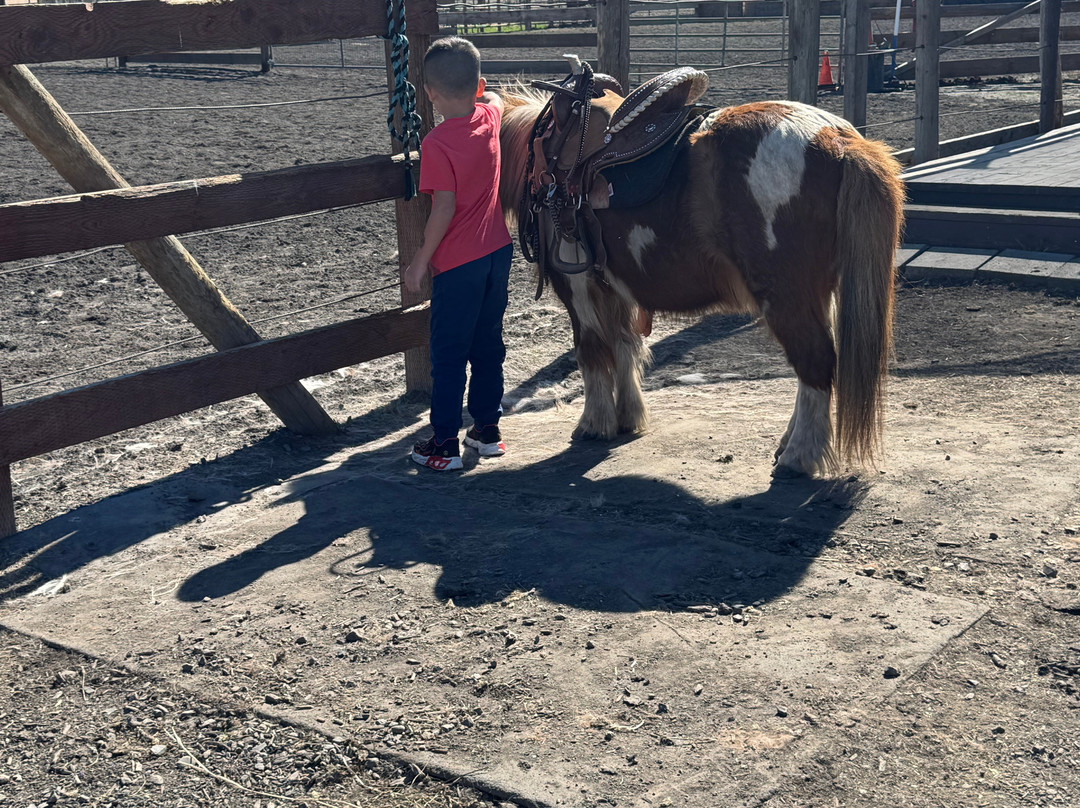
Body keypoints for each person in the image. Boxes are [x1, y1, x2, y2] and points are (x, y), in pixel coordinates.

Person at [404, 37, 513, 472]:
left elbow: (443, 207)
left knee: (448, 354)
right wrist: (484, 92)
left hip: (458, 264)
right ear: (477, 83)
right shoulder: (488, 116)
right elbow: (498, 99)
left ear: (429, 93)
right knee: (487, 344)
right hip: (496, 253)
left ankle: (444, 444)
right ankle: (487, 430)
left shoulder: (436, 143)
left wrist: (419, 261)